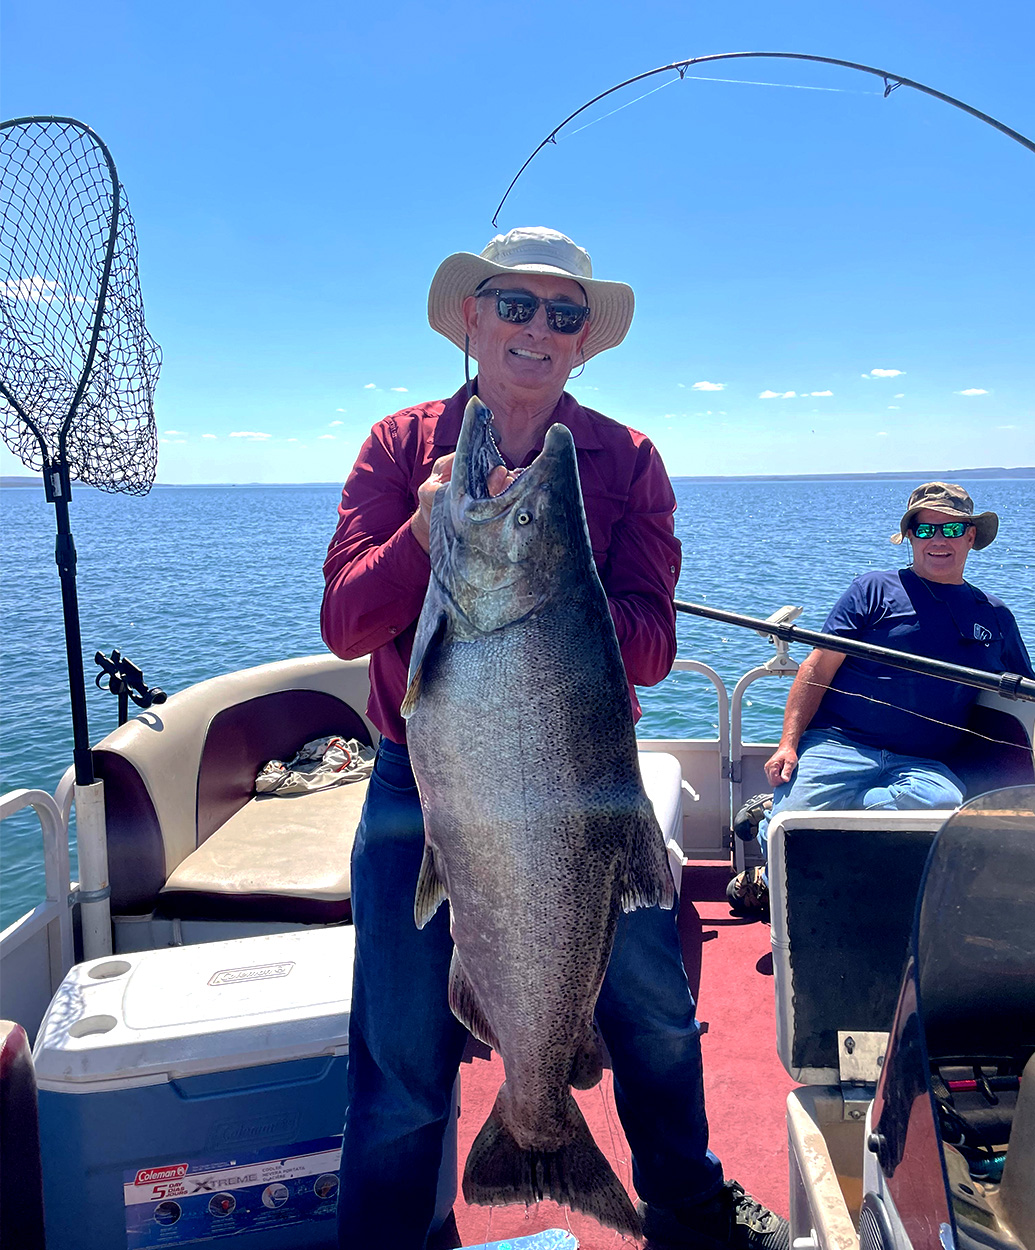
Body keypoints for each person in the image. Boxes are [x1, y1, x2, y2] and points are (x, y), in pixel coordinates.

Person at [322, 227, 790, 1250]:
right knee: (400, 1063)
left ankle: (687, 1200)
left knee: (659, 1018)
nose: (537, 328)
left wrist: (554, 589)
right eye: (515, 305)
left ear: (585, 343)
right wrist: (425, 529)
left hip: (589, 785)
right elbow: (347, 625)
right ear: (469, 319)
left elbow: (656, 644)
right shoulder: (400, 447)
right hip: (422, 787)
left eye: (562, 314)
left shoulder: (629, 459)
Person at [728, 480, 1034, 916]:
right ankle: (779, 832)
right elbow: (817, 667)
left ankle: (789, 839)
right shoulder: (872, 589)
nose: (938, 540)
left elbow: (1025, 689)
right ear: (910, 537)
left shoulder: (996, 615)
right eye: (926, 530)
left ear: (971, 536)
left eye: (951, 529)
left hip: (925, 763)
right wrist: (789, 743)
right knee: (788, 830)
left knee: (941, 809)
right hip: (838, 744)